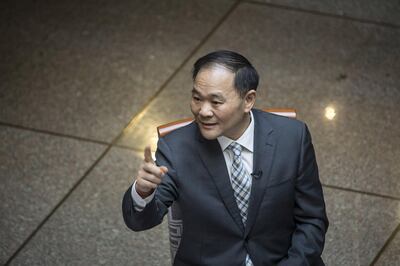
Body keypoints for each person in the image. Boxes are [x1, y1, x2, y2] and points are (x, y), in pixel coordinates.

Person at [122, 50, 329, 265]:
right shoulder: (176, 148)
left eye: (216, 102)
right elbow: (139, 221)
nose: (203, 111)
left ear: (248, 100)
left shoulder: (292, 137)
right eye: (196, 98)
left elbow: (312, 220)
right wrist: (143, 191)